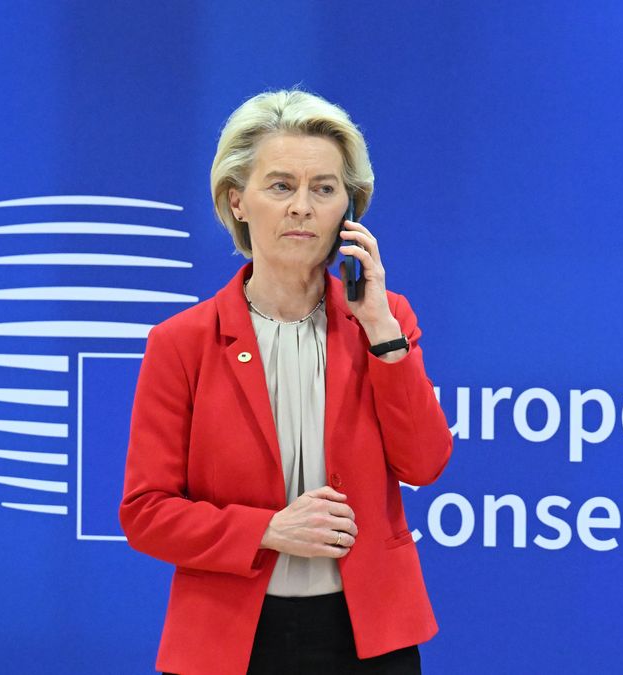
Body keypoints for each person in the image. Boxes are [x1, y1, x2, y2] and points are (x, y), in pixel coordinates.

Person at [120, 88, 452, 675]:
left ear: (348, 211)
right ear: (237, 200)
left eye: (323, 189)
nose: (302, 207)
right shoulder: (182, 342)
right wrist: (268, 529)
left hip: (370, 636)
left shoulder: (385, 320)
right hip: (229, 638)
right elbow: (147, 512)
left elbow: (424, 465)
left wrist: (381, 331)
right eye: (280, 186)